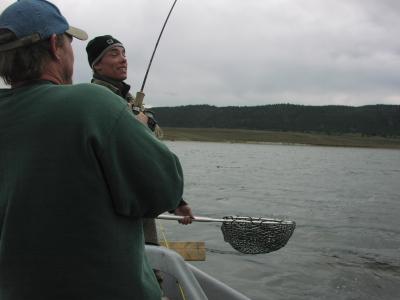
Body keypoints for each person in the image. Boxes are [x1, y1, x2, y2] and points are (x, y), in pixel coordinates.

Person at [0, 1, 184, 300]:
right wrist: (135, 126)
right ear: (55, 46)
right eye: (69, 42)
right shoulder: (92, 103)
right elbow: (165, 190)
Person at [85, 35, 194, 246]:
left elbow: (145, 161)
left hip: (137, 216)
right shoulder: (94, 100)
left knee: (151, 270)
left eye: (124, 53)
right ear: (96, 65)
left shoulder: (128, 102)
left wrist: (176, 203)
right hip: (110, 219)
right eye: (114, 54)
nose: (123, 59)